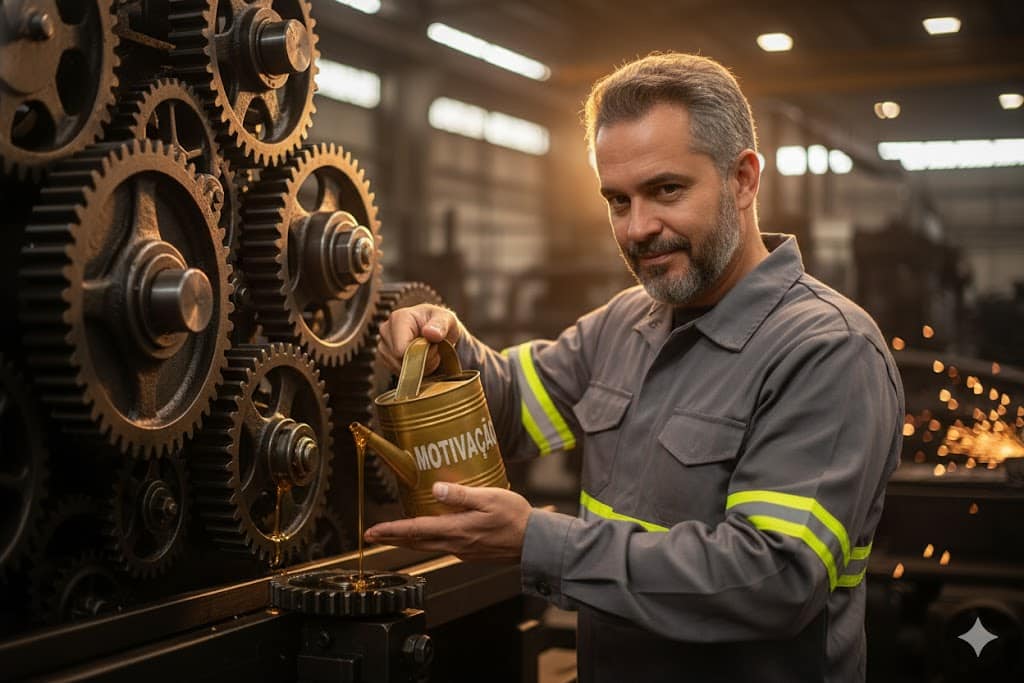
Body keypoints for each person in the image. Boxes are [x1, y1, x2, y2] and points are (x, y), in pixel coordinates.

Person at [365, 52, 904, 682]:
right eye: (617, 200)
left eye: (666, 190)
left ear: (745, 180)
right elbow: (505, 413)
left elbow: (771, 580)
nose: (639, 227)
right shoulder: (627, 324)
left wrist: (541, 543)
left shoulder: (826, 350)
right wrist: (445, 349)